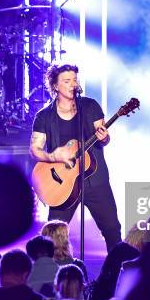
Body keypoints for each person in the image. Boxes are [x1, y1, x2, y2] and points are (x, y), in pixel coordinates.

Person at [30, 63, 122, 252]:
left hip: (95, 181)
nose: (72, 84)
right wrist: (52, 155)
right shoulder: (44, 116)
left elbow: (103, 137)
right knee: (51, 237)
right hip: (60, 184)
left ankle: (116, 274)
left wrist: (104, 138)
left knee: (112, 230)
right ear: (55, 85)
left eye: (74, 80)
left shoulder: (90, 106)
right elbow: (34, 149)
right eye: (66, 81)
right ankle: (54, 277)